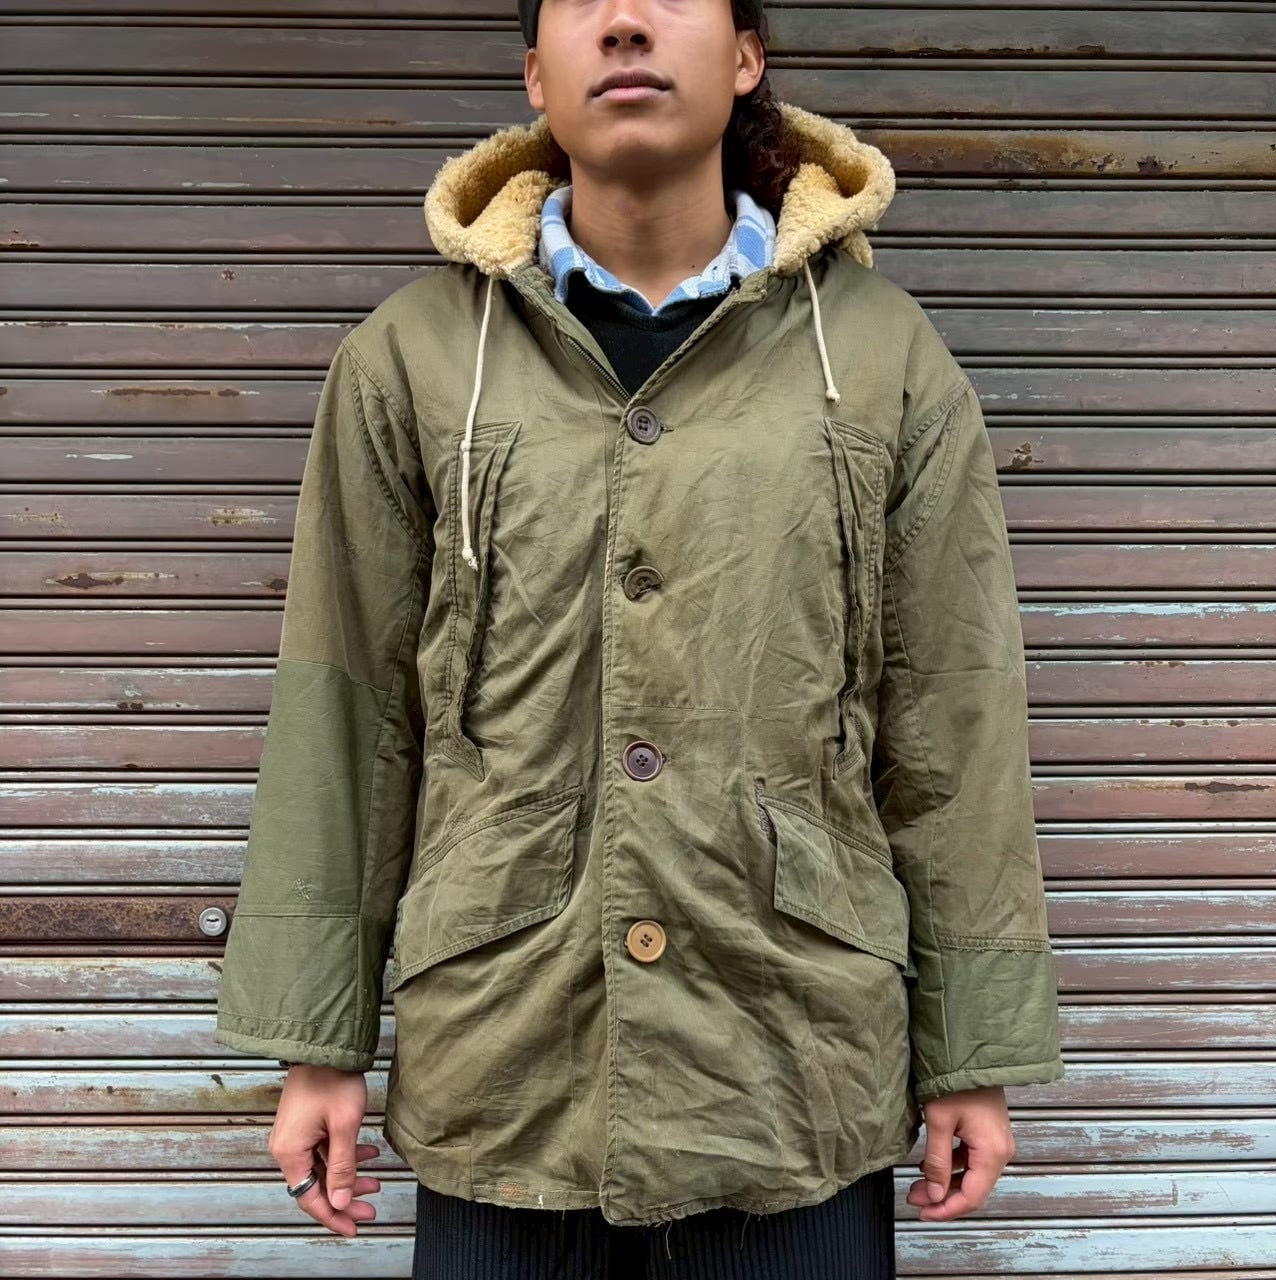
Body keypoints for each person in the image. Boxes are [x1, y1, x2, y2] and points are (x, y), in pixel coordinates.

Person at [212, 0, 1066, 1275]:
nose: (622, 22)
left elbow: (950, 713)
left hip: (792, 1063)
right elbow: (346, 713)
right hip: (506, 1061)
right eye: (582, 0)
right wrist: (317, 1041)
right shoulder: (414, 359)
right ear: (532, 72)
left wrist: (970, 1051)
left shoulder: (878, 355)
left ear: (744, 56)